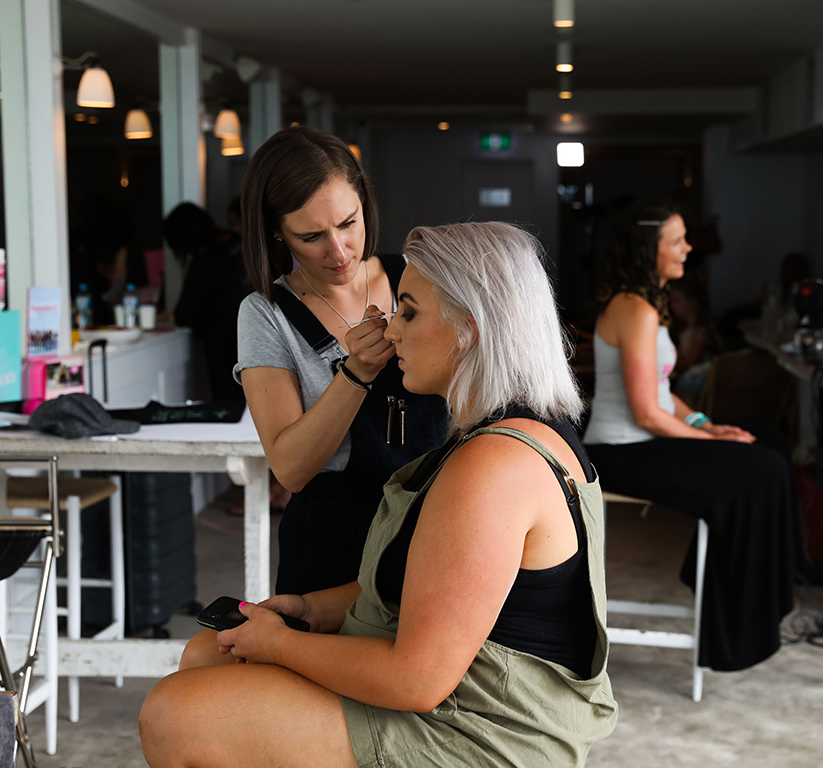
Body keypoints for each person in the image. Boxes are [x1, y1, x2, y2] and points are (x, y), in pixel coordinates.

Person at [140, 221, 617, 768]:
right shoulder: (505, 432)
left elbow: (416, 679)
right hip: (458, 698)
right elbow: (435, 588)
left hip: (484, 731)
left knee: (175, 714)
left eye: (408, 311)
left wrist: (280, 644)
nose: (390, 332)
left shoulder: (494, 467)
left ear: (470, 329)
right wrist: (313, 609)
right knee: (207, 653)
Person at [582, 206, 797, 672]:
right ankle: (735, 624)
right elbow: (646, 413)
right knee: (761, 467)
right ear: (648, 250)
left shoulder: (646, 303)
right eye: (676, 241)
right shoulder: (634, 308)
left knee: (771, 443)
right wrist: (713, 441)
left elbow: (663, 393)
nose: (688, 249)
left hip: (645, 440)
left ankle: (752, 600)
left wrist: (705, 425)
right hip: (621, 450)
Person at [234, 126, 446, 595]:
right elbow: (290, 468)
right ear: (275, 230)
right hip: (333, 540)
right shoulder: (265, 314)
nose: (339, 251)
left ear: (364, 203)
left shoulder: (417, 278)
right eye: (311, 236)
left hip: (434, 517)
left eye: (349, 223)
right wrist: (355, 374)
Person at [165, 202, 250, 404]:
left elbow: (185, 314)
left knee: (230, 403)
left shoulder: (205, 259)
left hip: (225, 345)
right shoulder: (238, 245)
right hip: (255, 336)